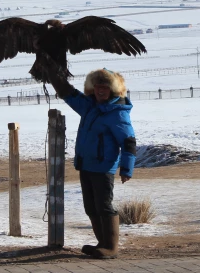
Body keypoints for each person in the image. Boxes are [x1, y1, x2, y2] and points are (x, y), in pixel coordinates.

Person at [46, 64, 137, 259]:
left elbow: (128, 141)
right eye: (97, 87)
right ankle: (102, 243)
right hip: (86, 165)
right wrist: (51, 71)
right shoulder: (90, 107)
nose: (100, 90)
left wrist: (126, 169)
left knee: (104, 205)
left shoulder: (117, 113)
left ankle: (111, 247)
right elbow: (68, 93)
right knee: (90, 206)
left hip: (104, 167)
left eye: (105, 87)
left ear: (113, 90)